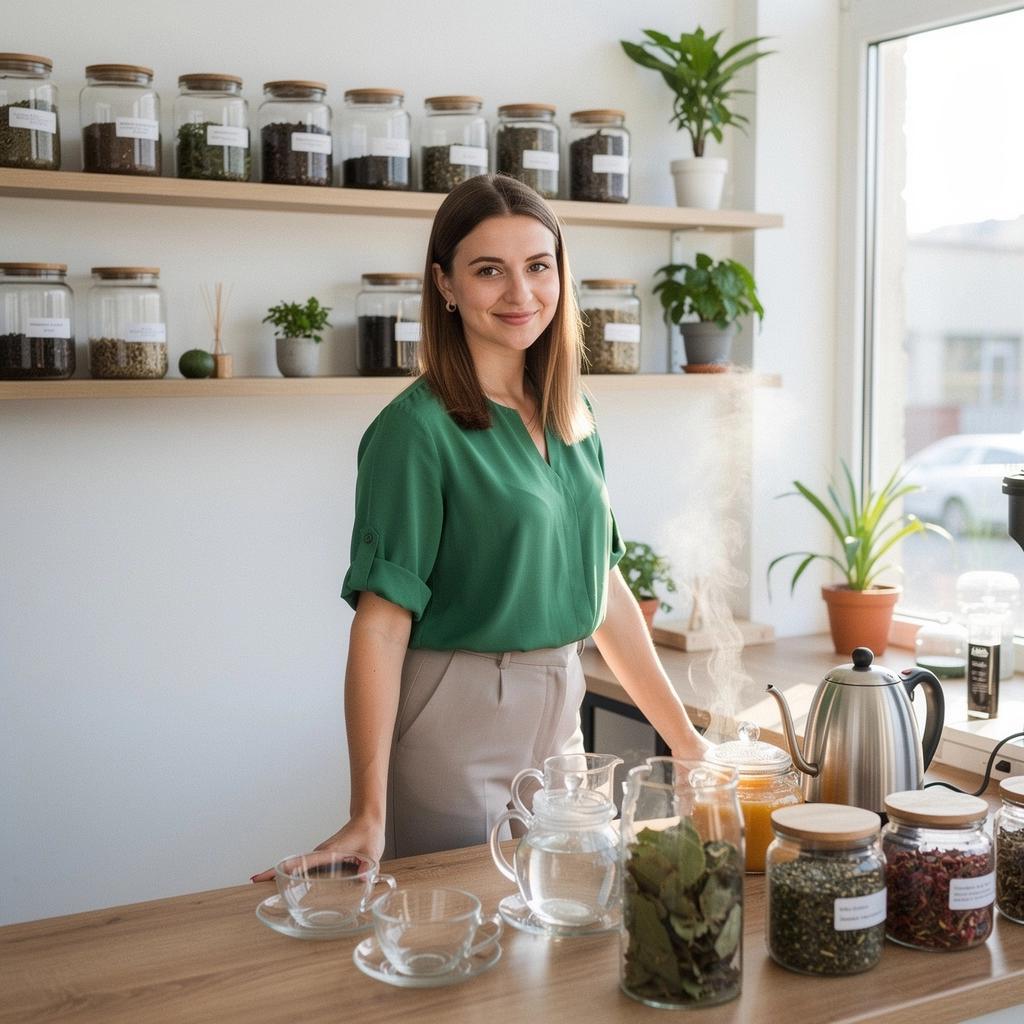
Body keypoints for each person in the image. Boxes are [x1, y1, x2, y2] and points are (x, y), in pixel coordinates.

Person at [252, 174, 708, 879]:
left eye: (538, 266)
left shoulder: (573, 415)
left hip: (560, 717)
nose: (520, 294)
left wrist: (687, 743)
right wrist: (366, 811)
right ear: (445, 284)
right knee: (461, 947)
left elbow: (604, 586)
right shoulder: (415, 431)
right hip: (456, 723)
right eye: (488, 270)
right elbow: (379, 624)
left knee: (555, 936)